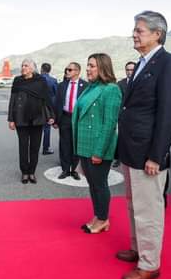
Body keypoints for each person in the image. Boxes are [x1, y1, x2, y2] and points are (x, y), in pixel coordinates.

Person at [115, 10, 171, 279]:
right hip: (132, 150)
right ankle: (137, 248)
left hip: (148, 154)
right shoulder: (143, 62)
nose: (134, 34)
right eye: (134, 29)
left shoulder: (168, 64)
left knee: (149, 210)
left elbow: (168, 113)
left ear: (157, 34)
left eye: (140, 30)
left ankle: (150, 264)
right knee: (134, 206)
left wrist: (157, 154)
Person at [73, 53, 122, 234]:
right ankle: (98, 215)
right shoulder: (91, 87)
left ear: (103, 67)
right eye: (88, 65)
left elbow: (109, 123)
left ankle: (103, 219)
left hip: (98, 147)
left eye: (92, 66)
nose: (88, 69)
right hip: (85, 144)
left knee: (99, 184)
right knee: (93, 184)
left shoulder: (111, 89)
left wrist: (99, 152)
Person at [8, 59, 55, 183]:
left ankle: (32, 172)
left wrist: (51, 115)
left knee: (35, 147)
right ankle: (24, 172)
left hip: (37, 119)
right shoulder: (17, 81)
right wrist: (11, 119)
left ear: (33, 68)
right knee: (23, 146)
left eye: (26, 66)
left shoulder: (40, 81)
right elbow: (12, 100)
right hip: (20, 118)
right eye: (22, 65)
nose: (23, 67)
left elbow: (46, 99)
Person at [55, 62, 86, 180]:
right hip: (65, 117)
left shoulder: (86, 86)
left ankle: (74, 170)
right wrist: (56, 119)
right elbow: (57, 103)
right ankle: (65, 169)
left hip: (78, 118)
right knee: (64, 144)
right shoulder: (62, 85)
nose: (67, 71)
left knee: (76, 144)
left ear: (77, 71)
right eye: (66, 69)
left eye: (70, 70)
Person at [113, 61, 137, 168]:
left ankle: (131, 157)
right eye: (127, 70)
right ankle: (118, 158)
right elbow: (117, 100)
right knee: (121, 137)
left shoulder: (140, 83)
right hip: (122, 116)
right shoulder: (120, 84)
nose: (129, 72)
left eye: (132, 70)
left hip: (136, 116)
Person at [40, 62, 57, 155]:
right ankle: (45, 148)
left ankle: (33, 148)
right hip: (48, 108)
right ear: (49, 70)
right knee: (47, 128)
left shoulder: (36, 79)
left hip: (36, 107)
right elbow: (55, 95)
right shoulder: (53, 80)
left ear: (41, 69)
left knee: (36, 129)